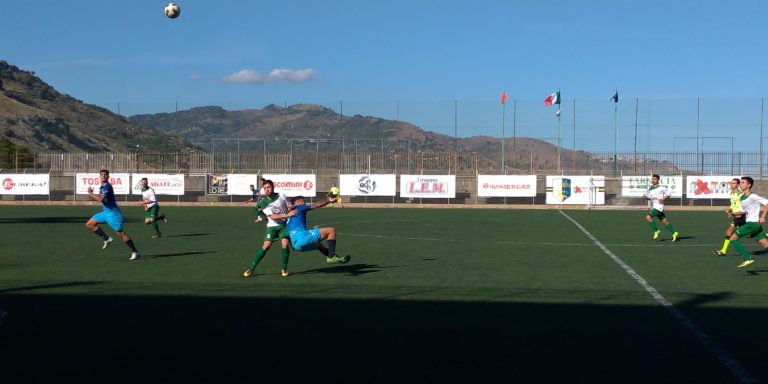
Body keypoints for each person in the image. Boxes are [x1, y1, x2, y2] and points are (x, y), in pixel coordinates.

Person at [85, 169, 140, 260]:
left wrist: (90, 193)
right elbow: (101, 198)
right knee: (89, 224)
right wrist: (93, 193)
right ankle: (106, 239)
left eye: (105, 175)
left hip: (113, 213)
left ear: (108, 176)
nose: (103, 176)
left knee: (120, 234)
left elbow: (100, 199)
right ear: (100, 176)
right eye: (102, 174)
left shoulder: (106, 186)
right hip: (105, 212)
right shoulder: (102, 186)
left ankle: (135, 251)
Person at [243, 180, 292, 278]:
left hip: (284, 225)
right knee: (266, 246)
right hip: (272, 226)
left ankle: (284, 268)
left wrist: (290, 209)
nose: (267, 190)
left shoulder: (282, 195)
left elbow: (289, 206)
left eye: (269, 187)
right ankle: (251, 269)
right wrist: (262, 216)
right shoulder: (263, 202)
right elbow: (272, 216)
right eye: (265, 188)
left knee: (285, 244)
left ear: (273, 187)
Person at [286, 195, 350, 266]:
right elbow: (317, 205)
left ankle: (335, 257)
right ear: (298, 202)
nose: (305, 203)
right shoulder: (299, 207)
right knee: (331, 231)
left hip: (296, 246)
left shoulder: (288, 218)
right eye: (303, 201)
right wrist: (330, 200)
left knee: (319, 245)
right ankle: (331, 257)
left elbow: (288, 235)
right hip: (302, 237)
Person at [726, 177, 768, 268]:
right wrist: (732, 213)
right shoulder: (742, 197)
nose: (740, 184)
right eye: (740, 182)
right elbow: (742, 212)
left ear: (749, 185)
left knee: (733, 239)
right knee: (765, 244)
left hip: (752, 224)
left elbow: (767, 203)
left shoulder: (753, 196)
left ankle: (747, 258)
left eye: (743, 182)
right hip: (752, 225)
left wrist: (763, 217)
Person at [643, 174, 679, 242]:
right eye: (652, 179)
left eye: (654, 179)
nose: (653, 180)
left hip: (659, 207)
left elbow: (669, 194)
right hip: (655, 206)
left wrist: (663, 199)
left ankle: (656, 231)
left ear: (658, 180)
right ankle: (674, 233)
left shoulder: (662, 188)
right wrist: (646, 199)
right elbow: (650, 198)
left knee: (648, 217)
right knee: (665, 221)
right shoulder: (650, 189)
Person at [714, 178, 745, 256]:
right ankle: (723, 251)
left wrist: (735, 214)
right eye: (731, 183)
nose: (732, 184)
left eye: (734, 183)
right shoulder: (731, 193)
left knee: (750, 234)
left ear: (738, 185)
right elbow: (733, 205)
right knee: (729, 232)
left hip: (741, 217)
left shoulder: (741, 195)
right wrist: (729, 210)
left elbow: (744, 207)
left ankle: (723, 251)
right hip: (736, 216)